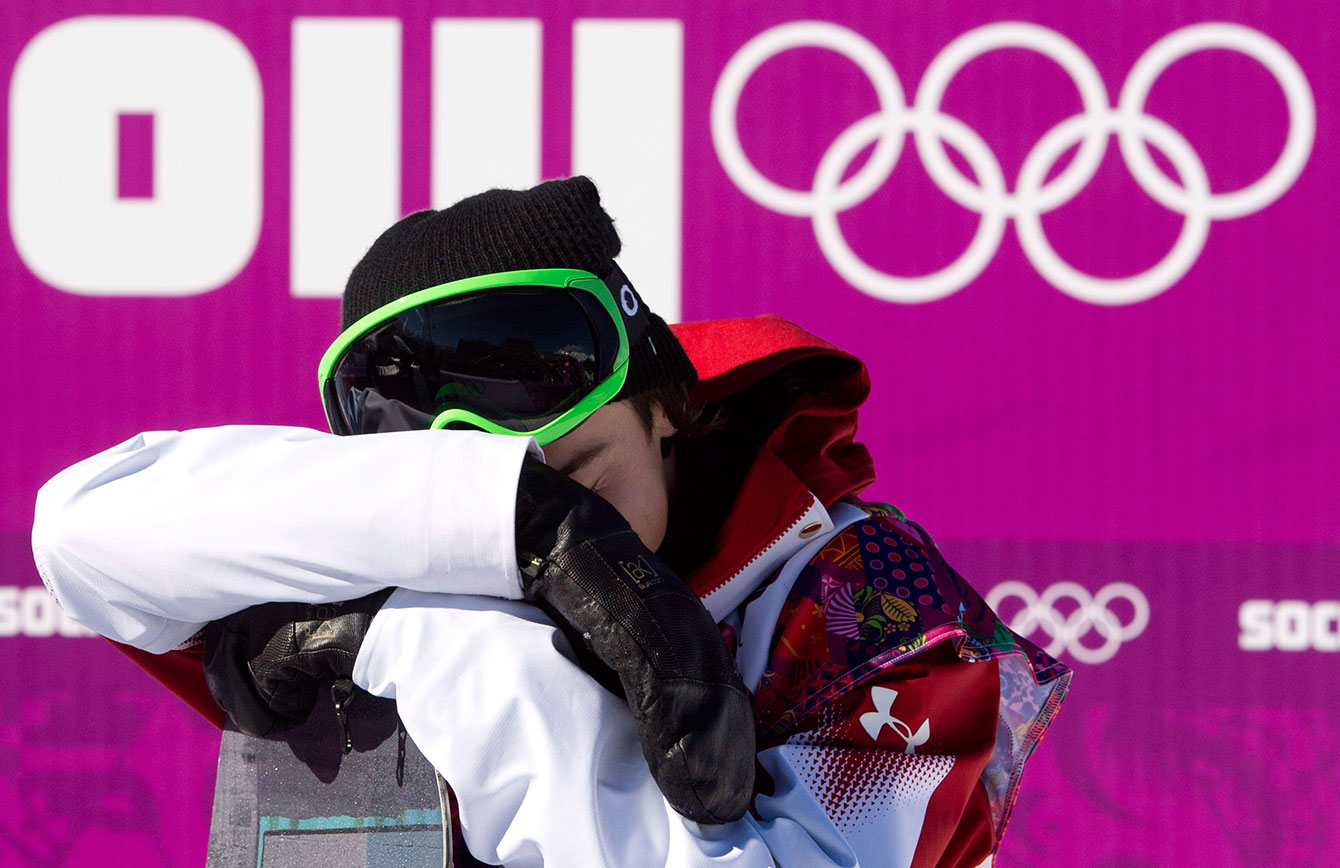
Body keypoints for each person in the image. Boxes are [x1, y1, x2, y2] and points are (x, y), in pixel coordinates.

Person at [32, 176, 1070, 868]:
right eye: (513, 499)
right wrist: (493, 532)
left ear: (669, 404)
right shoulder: (381, 580)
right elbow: (82, 529)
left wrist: (447, 654)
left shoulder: (868, 602)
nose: (565, 551)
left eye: (574, 472)